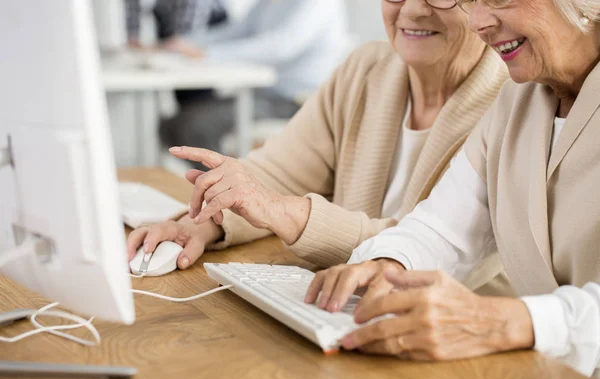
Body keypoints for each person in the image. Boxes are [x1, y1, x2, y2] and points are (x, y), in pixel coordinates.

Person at [128, 0, 511, 295]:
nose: (412, 9)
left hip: (456, 346)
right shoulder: (365, 69)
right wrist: (201, 224)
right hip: (344, 306)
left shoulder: (513, 102)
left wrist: (284, 212)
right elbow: (274, 173)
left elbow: (427, 248)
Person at [304, 0, 600, 379]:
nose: (477, 22)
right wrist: (387, 266)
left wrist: (515, 321)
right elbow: (443, 227)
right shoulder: (518, 99)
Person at [160, 0, 349, 152]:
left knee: (193, 127)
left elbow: (280, 47)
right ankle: (219, 189)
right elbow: (237, 32)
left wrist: (209, 54)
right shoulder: (269, 3)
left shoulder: (319, 3)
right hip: (263, 94)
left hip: (296, 102)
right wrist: (182, 44)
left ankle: (227, 191)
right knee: (171, 125)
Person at [124, 0, 220, 58]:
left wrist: (181, 44)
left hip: (208, 28)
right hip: (169, 25)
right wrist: (134, 39)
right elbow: (133, 40)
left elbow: (184, 42)